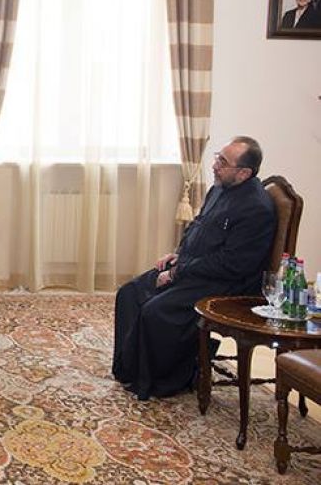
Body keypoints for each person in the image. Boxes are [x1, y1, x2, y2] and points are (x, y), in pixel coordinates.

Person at [112, 136, 276, 401]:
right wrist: (177, 255)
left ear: (244, 173)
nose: (215, 165)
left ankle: (163, 380)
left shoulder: (256, 208)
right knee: (129, 293)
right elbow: (197, 227)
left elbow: (232, 264)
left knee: (156, 311)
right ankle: (130, 370)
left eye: (223, 162)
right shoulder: (220, 188)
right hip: (193, 268)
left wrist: (177, 272)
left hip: (224, 284)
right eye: (218, 157)